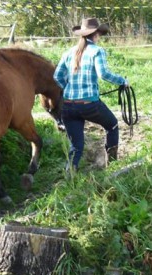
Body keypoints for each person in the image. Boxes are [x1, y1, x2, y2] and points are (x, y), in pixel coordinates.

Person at [53, 17, 129, 171]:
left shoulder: (68, 52)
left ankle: (70, 176)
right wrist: (122, 81)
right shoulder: (97, 51)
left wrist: (69, 88)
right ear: (96, 34)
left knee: (76, 146)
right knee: (112, 125)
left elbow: (57, 77)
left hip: (68, 106)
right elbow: (103, 74)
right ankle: (112, 165)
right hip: (89, 105)